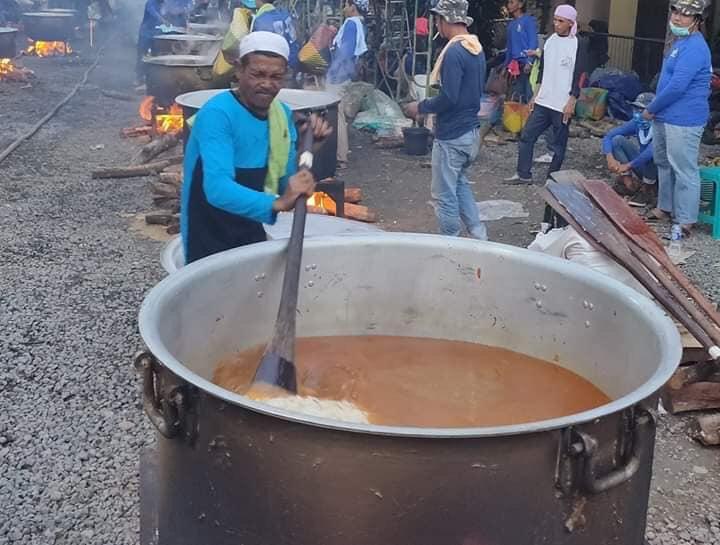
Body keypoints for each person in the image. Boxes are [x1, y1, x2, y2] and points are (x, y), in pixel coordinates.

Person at [181, 32, 332, 263]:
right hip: (207, 233)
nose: (266, 84)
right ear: (239, 70)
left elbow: (283, 183)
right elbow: (217, 188)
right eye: (257, 74)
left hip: (250, 230)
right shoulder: (218, 114)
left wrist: (310, 148)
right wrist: (276, 204)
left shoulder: (281, 115)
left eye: (276, 77)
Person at [404, 0, 487, 240]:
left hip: (452, 135)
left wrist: (420, 106)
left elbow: (449, 97)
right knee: (460, 185)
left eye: (438, 20)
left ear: (446, 20)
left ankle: (448, 245)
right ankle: (480, 237)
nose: (436, 25)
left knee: (444, 195)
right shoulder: (475, 48)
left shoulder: (454, 52)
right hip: (470, 132)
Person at [643, 0, 711, 237]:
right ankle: (665, 206)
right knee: (663, 162)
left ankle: (685, 220)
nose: (678, 18)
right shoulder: (679, 42)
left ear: (697, 21)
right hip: (665, 114)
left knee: (684, 169)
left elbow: (678, 87)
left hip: (684, 118)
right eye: (675, 12)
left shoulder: (695, 47)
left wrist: (651, 108)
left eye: (686, 15)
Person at [504, 4, 586, 185]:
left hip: (562, 104)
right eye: (555, 20)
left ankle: (552, 178)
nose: (556, 24)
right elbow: (542, 70)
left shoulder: (578, 44)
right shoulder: (550, 40)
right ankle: (523, 174)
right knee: (527, 136)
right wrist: (535, 96)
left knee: (558, 145)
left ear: (570, 23)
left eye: (561, 21)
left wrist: (572, 100)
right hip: (543, 101)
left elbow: (580, 74)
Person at [326, 0, 368, 169]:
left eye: (346, 4)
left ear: (353, 7)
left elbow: (346, 52)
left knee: (336, 114)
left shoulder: (351, 23)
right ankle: (341, 154)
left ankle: (340, 156)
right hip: (347, 74)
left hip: (339, 76)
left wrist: (333, 73)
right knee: (340, 113)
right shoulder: (360, 24)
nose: (344, 8)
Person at [602, 92, 657, 204]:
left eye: (642, 110)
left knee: (652, 156)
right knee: (617, 140)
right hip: (643, 167)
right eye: (635, 109)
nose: (638, 113)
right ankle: (629, 184)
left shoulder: (660, 127)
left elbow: (651, 151)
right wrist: (609, 157)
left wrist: (627, 165)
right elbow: (609, 136)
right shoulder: (637, 123)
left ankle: (647, 190)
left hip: (660, 173)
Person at [250, 0, 300, 72]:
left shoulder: (261, 20)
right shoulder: (285, 14)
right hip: (293, 63)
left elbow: (257, 50)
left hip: (277, 67)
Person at [504, 0, 538, 103]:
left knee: (528, 94)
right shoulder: (511, 25)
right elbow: (509, 47)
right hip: (515, 66)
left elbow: (533, 42)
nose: (509, 5)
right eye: (508, 2)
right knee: (516, 97)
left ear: (520, 4)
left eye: (512, 2)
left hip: (526, 65)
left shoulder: (528, 21)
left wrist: (529, 61)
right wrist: (506, 65)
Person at [136, 0, 167, 85]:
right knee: (142, 55)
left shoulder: (163, 4)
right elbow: (154, 14)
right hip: (145, 34)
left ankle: (153, 79)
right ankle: (139, 78)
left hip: (156, 35)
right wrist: (163, 21)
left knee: (156, 57)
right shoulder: (150, 3)